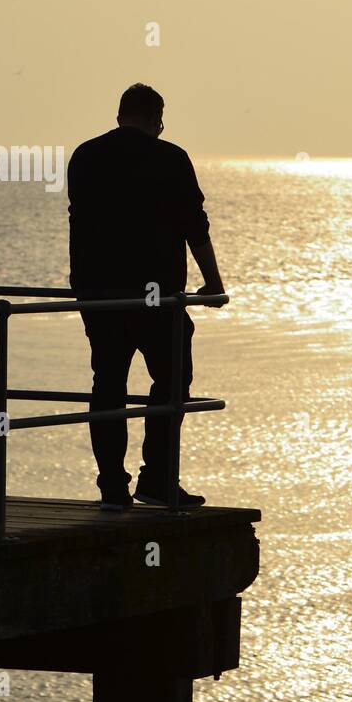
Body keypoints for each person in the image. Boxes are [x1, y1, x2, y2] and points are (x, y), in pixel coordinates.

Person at [66, 83, 225, 511]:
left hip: (100, 297)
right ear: (158, 120)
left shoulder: (85, 156)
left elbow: (78, 224)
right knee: (172, 384)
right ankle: (156, 480)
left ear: (119, 116)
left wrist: (83, 287)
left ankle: (112, 489)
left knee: (108, 386)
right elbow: (196, 226)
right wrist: (213, 285)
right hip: (157, 298)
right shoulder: (170, 158)